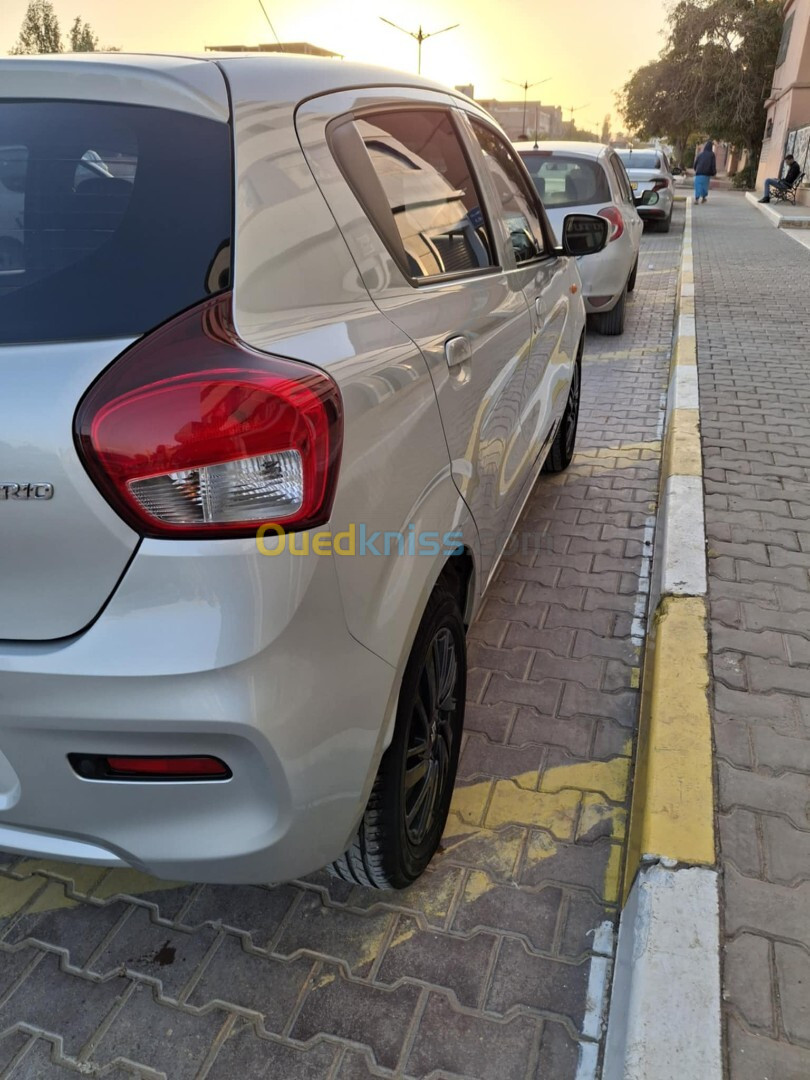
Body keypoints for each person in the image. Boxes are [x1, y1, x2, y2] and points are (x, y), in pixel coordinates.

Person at [693, 139, 716, 203]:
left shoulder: (700, 154)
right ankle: (703, 198)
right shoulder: (712, 155)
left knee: (698, 185)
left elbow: (695, 163)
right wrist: (714, 172)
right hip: (706, 173)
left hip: (699, 172)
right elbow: (713, 164)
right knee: (704, 186)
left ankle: (696, 199)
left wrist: (695, 169)